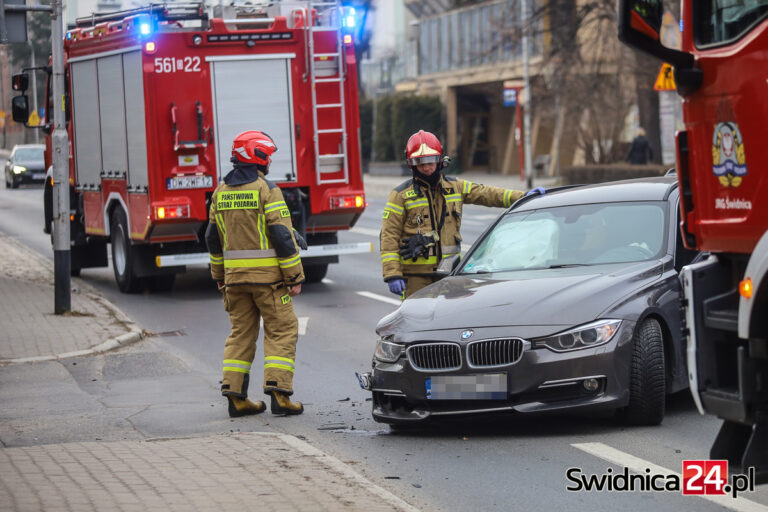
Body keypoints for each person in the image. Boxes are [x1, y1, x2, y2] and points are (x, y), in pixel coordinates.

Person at [206, 130, 305, 418]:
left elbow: (212, 239)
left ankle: (236, 399)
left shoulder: (219, 192)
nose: (270, 161)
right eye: (268, 155)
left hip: (235, 282)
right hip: (269, 281)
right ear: (258, 156)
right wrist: (294, 277)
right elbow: (282, 237)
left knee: (240, 334)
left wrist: (219, 275)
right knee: (282, 330)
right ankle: (279, 395)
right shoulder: (266, 190)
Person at [380, 129, 545, 298]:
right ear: (411, 164)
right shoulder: (400, 195)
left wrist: (523, 196)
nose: (426, 167)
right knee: (418, 321)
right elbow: (388, 237)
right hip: (415, 278)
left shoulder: (456, 187)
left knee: (454, 320)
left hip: (450, 275)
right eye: (420, 162)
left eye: (430, 161)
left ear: (440, 160)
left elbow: (487, 193)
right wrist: (392, 274)